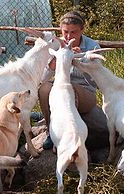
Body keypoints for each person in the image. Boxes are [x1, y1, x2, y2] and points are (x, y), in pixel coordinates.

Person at [38, 11, 101, 150]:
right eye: (65, 32)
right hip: (60, 89)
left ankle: (72, 139)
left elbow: (95, 81)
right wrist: (54, 63)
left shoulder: (92, 46)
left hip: (85, 93)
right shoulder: (54, 45)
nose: (68, 36)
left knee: (69, 88)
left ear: (82, 30)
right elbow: (42, 79)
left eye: (74, 32)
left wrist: (80, 61)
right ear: (60, 29)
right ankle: (52, 132)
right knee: (44, 90)